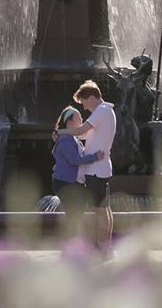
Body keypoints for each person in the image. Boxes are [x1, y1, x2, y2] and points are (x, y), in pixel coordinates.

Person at [54, 80, 116, 255]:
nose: (84, 108)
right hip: (101, 168)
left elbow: (80, 131)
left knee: (100, 211)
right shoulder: (107, 112)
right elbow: (84, 134)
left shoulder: (101, 111)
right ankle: (106, 245)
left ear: (91, 97)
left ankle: (102, 247)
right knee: (105, 208)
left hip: (96, 170)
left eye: (83, 103)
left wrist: (60, 132)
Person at [52, 106, 104, 237]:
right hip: (66, 183)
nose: (82, 118)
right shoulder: (66, 140)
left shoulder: (72, 137)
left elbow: (88, 133)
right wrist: (95, 157)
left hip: (74, 183)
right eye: (78, 117)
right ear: (70, 121)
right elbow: (74, 160)